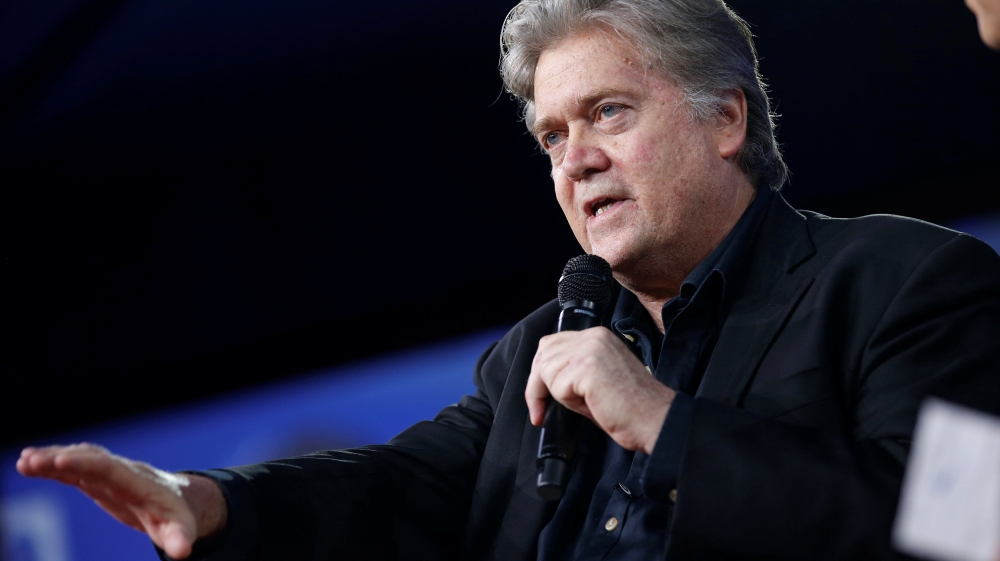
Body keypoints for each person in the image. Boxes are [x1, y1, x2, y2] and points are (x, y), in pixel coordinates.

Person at [17, 0, 1000, 559]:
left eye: (608, 112)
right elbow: (394, 487)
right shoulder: (535, 353)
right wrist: (203, 497)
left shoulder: (908, 281)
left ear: (725, 120)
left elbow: (971, 530)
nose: (573, 160)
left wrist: (661, 423)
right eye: (552, 135)